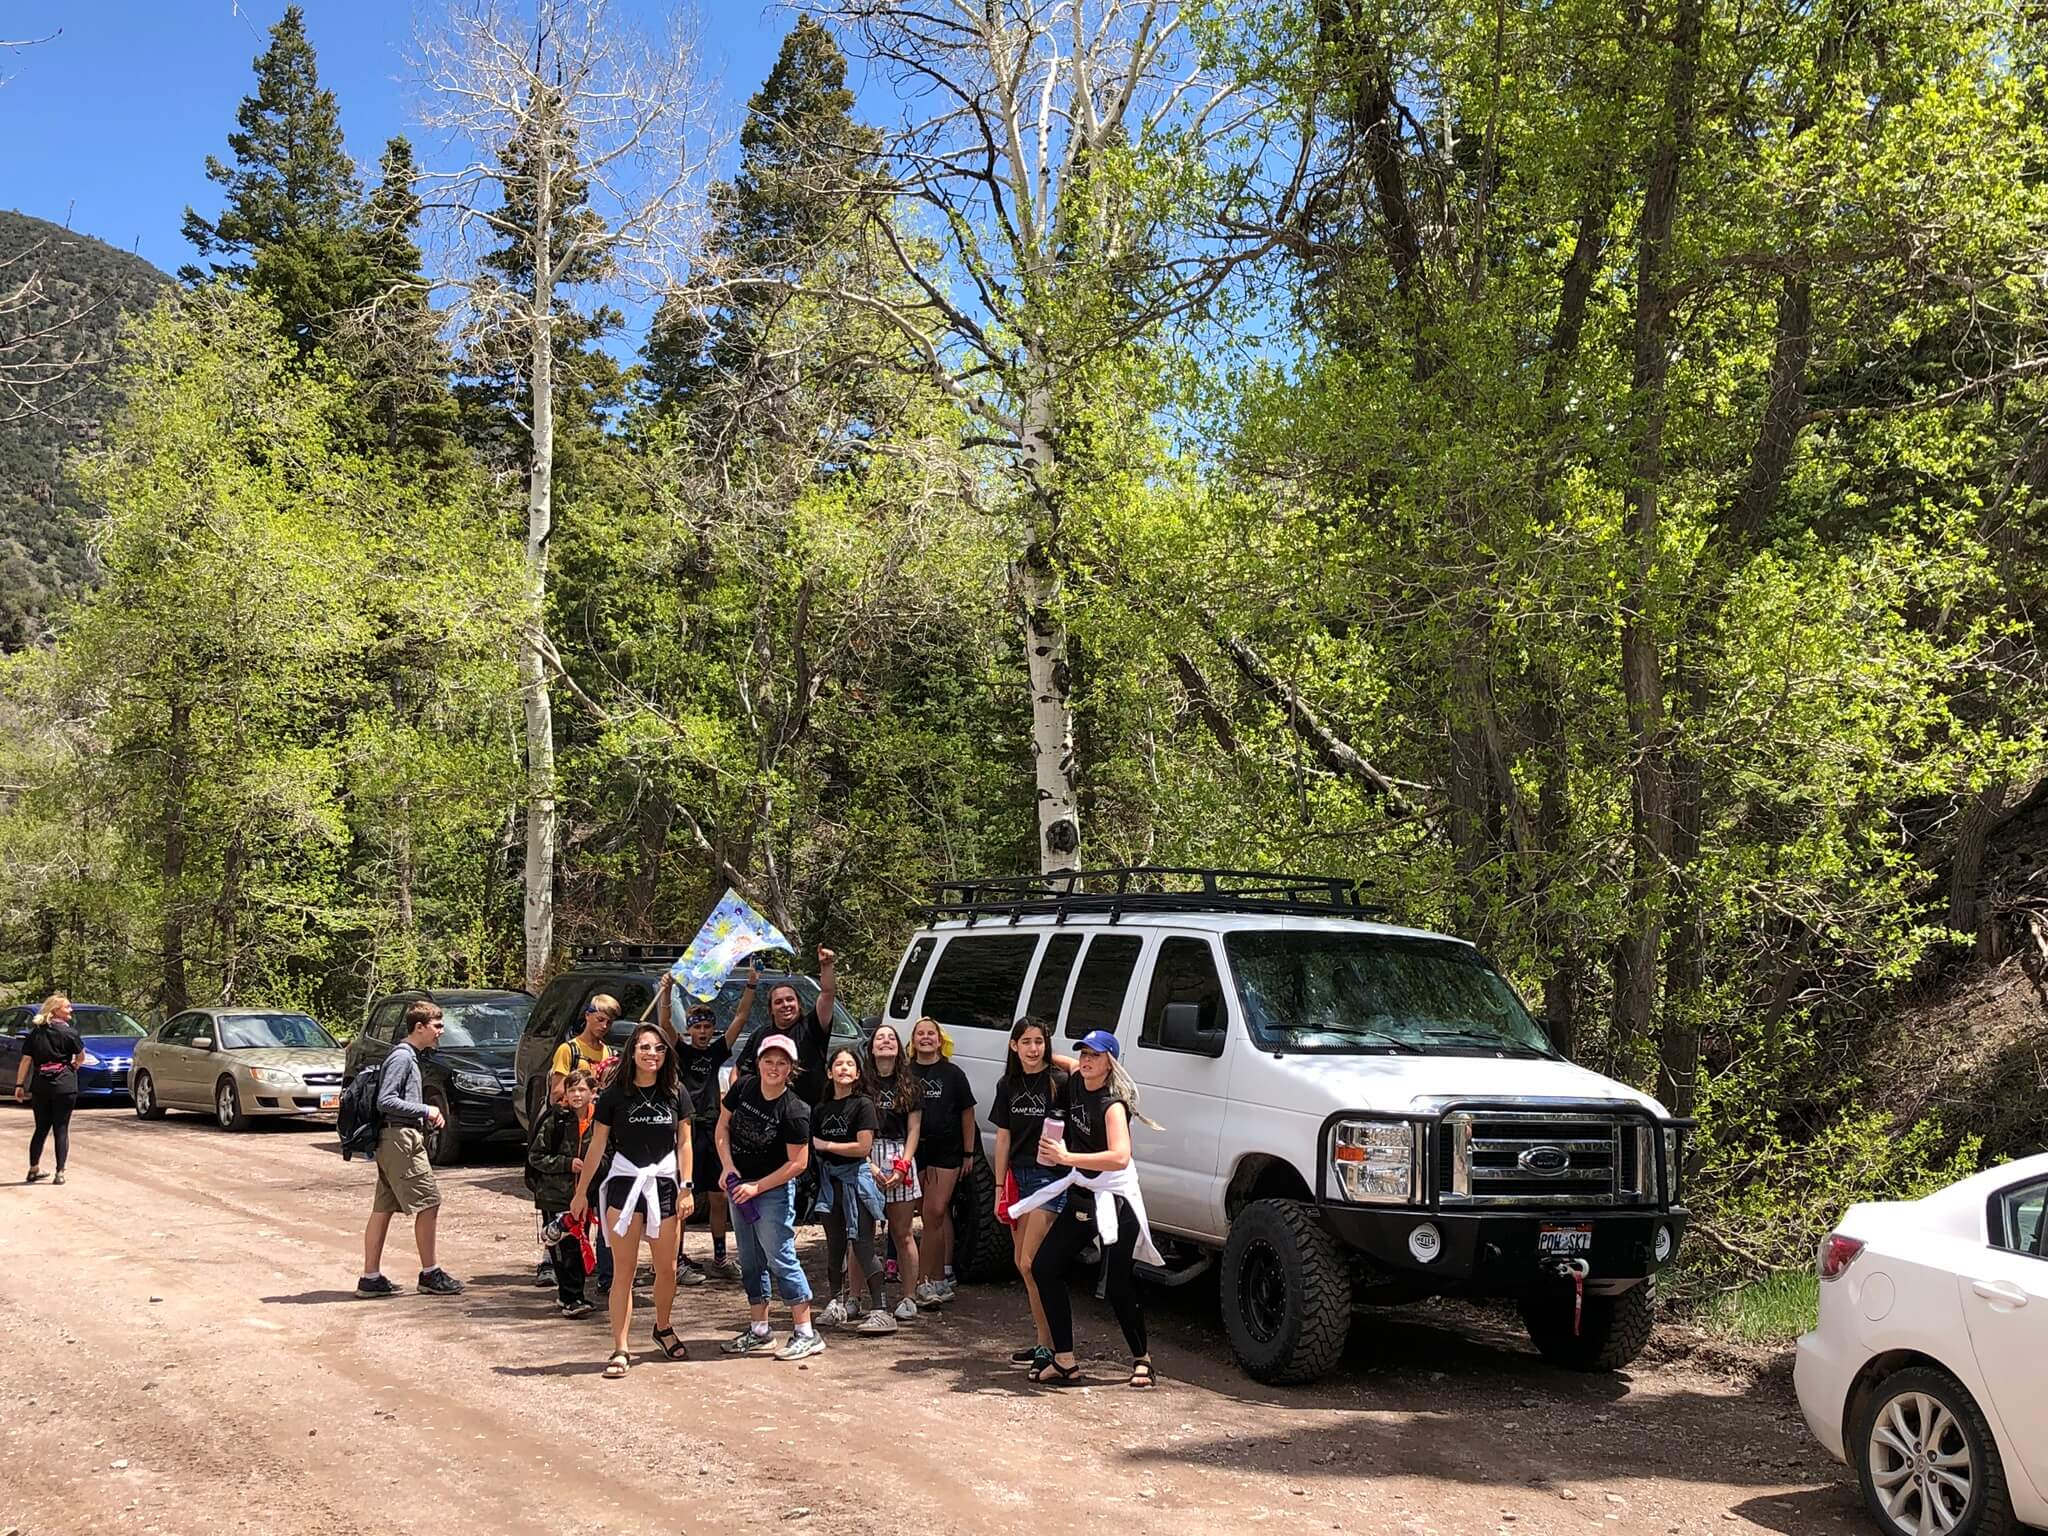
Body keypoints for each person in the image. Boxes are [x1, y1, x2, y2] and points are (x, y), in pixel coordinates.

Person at [1015, 1030, 1162, 1389]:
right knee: (1045, 1266)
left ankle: (1143, 1359)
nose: (1085, 1059)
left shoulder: (1112, 1105)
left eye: (1094, 1055)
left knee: (1117, 1284)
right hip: (1083, 1191)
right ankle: (1065, 1361)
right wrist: (1032, 1049)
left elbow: (1119, 1156)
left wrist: (1068, 1157)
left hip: (1114, 1197)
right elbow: (1054, 1058)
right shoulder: (1076, 1081)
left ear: (1109, 1062)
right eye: (1083, 1053)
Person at [570, 1023, 695, 1378]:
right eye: (644, 1048)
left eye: (658, 1048)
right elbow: (597, 1145)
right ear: (632, 1052)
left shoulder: (675, 1092)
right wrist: (582, 1192)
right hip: (625, 1184)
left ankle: (663, 1327)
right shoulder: (613, 1095)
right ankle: (621, 1347)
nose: (651, 1054)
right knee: (623, 1272)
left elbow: (684, 1143)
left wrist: (687, 1187)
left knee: (667, 1268)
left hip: (666, 1185)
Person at [715, 1033, 821, 1359]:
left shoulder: (794, 1110)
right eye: (768, 1061)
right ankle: (759, 1330)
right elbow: (722, 1127)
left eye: (781, 1063)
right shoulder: (744, 1088)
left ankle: (806, 1332)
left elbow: (798, 1163)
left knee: (780, 1256)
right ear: (759, 1062)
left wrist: (758, 1187)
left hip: (771, 1192)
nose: (774, 1068)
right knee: (750, 1259)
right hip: (739, 1186)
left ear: (791, 1069)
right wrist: (728, 1168)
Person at [358, 1001, 465, 1298]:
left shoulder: (408, 1056)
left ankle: (370, 1278)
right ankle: (430, 1273)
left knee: (383, 1208)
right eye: (437, 1026)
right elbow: (386, 1100)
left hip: (394, 1139)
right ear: (419, 1027)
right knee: (429, 1202)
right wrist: (426, 1110)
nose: (441, 1032)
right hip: (400, 1140)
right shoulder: (403, 1058)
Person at [656, 969, 753, 1284]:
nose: (702, 1032)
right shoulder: (680, 1050)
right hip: (688, 1128)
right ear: (689, 1030)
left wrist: (751, 984)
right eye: (697, 1027)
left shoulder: (716, 1051)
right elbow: (665, 1024)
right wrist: (667, 992)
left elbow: (740, 1018)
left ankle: (720, 1257)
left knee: (718, 1196)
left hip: (713, 1127)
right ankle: (678, 1259)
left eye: (707, 1027)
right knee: (684, 1196)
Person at [989, 1015, 1069, 1372]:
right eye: (1026, 1042)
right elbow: (1003, 1136)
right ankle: (1044, 1340)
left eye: (1039, 1041)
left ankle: (1049, 1345)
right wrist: (998, 1185)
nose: (1033, 1049)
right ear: (1013, 1046)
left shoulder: (1059, 1081)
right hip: (1017, 1179)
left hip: (1050, 1179)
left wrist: (1057, 1059)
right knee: (1023, 1266)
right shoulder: (1007, 1084)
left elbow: (1091, 1070)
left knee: (1030, 1263)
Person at [812, 1045, 894, 1334]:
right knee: (834, 1245)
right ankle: (835, 1303)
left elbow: (862, 1147)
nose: (844, 1068)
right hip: (829, 1183)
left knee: (862, 1244)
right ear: (829, 1071)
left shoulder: (863, 1105)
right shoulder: (820, 1109)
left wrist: (827, 1146)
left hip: (857, 1181)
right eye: (839, 1064)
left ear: (858, 1073)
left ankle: (881, 1309)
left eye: (850, 1064)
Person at [543, 994, 619, 1290]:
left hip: (598, 1131)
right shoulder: (569, 1049)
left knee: (598, 1204)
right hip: (571, 1132)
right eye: (600, 1019)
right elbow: (557, 1093)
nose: (604, 1026)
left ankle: (598, 1267)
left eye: (609, 1022)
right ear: (587, 1015)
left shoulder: (609, 1051)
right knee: (568, 1203)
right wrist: (580, 1094)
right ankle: (553, 1262)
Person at [908, 1015, 977, 1307]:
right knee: (926, 1213)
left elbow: (967, 1114)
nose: (926, 1038)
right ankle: (936, 1279)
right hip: (916, 1152)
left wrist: (969, 1153)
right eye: (920, 1033)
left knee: (936, 1212)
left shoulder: (953, 1074)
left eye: (931, 1034)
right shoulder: (905, 1072)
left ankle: (924, 1280)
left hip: (948, 1152)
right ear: (913, 1041)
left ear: (940, 1040)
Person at [863, 1022, 923, 1323]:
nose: (885, 1042)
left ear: (899, 1047)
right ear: (871, 1047)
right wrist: (868, 1164)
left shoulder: (909, 1083)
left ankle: (910, 1297)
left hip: (900, 1153)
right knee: (860, 1233)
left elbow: (914, 1129)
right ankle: (855, 1298)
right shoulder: (861, 1083)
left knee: (903, 1233)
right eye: (879, 1038)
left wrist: (903, 1164)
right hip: (867, 1152)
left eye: (891, 1038)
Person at [527, 1069, 599, 1317]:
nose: (577, 1095)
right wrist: (566, 1164)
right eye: (572, 1090)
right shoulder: (555, 1120)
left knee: (579, 1244)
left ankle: (570, 1295)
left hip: (584, 1195)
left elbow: (608, 1153)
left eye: (582, 1090)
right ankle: (572, 1298)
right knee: (565, 1246)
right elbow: (536, 1157)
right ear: (565, 1094)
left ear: (593, 1092)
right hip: (555, 1195)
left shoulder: (599, 1122)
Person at [731, 948, 836, 1106]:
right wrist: (735, 1104)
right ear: (770, 1009)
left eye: (790, 1000)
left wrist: (826, 966)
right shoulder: (761, 1035)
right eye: (778, 1002)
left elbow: (827, 994)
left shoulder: (813, 1027)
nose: (785, 1005)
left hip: (808, 1115)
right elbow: (737, 1070)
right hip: (766, 1116)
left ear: (798, 1004)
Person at [14, 993, 83, 1185]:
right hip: (65, 1085)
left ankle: (33, 1168)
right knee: (61, 1128)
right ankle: (60, 1172)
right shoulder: (70, 1033)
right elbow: (81, 1056)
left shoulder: (36, 1033)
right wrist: (73, 1066)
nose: (71, 1010)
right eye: (67, 1007)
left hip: (41, 1085)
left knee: (41, 1128)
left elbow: (26, 1060)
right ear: (55, 1010)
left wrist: (19, 1085)